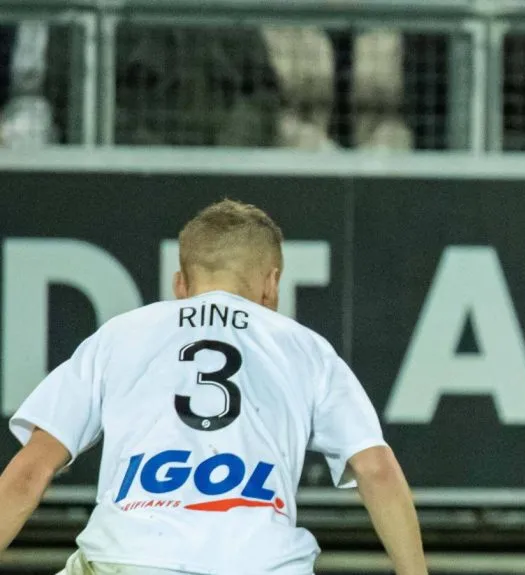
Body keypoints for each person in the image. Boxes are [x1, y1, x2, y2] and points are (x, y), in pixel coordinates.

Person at [0, 200, 428, 575]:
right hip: (262, 564)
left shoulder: (120, 336)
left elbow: (31, 472)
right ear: (272, 283)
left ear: (180, 284)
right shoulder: (306, 348)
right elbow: (376, 469)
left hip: (132, 556)